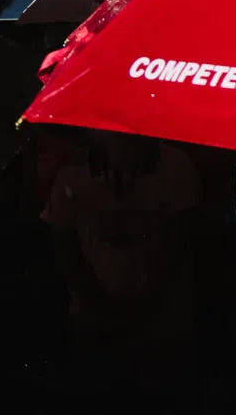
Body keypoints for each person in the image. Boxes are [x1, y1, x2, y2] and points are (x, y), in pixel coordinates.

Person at [43, 131, 202, 383]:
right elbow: (64, 248)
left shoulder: (174, 167)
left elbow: (178, 243)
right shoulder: (72, 172)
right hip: (101, 322)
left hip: (158, 324)